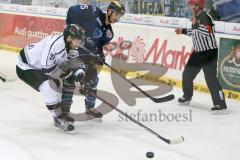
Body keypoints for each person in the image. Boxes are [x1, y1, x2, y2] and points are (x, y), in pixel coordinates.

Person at [61, 0, 125, 120]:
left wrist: (100, 57)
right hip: (73, 50)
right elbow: (72, 10)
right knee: (70, 78)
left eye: (120, 16)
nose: (117, 18)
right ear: (110, 11)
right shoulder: (94, 12)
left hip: (86, 56)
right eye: (116, 14)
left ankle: (89, 109)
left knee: (93, 80)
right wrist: (74, 30)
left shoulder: (109, 34)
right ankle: (64, 112)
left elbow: (97, 48)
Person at [16, 24, 87, 131]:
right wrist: (68, 75)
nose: (78, 43)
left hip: (39, 65)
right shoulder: (57, 46)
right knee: (48, 86)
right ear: (68, 38)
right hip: (26, 65)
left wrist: (79, 74)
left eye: (80, 41)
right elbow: (47, 69)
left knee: (56, 86)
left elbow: (75, 63)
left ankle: (59, 114)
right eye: (77, 40)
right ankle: (58, 118)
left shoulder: (71, 47)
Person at [175, 0, 227, 113]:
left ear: (197, 6)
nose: (189, 7)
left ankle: (220, 104)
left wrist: (195, 23)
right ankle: (187, 96)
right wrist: (183, 31)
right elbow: (195, 33)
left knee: (211, 79)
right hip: (198, 53)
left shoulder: (206, 17)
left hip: (209, 53)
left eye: (191, 5)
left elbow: (206, 32)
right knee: (187, 75)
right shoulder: (196, 17)